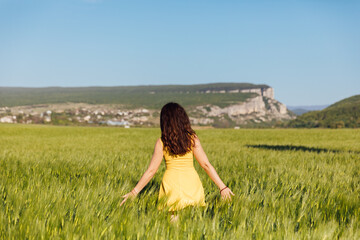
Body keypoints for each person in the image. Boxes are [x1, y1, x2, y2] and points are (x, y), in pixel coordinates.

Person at [120, 102, 234, 220]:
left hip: (171, 185)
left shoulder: (162, 142)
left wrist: (134, 192)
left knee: (174, 225)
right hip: (192, 184)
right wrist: (222, 187)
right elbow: (206, 165)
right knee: (192, 223)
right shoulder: (192, 139)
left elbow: (151, 170)